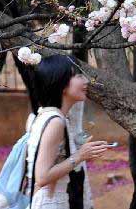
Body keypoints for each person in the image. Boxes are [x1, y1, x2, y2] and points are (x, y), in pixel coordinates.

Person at [26, 55, 113, 209]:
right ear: (62, 84)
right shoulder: (55, 122)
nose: (86, 81)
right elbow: (42, 176)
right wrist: (80, 155)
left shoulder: (46, 115)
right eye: (78, 75)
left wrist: (79, 149)